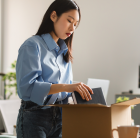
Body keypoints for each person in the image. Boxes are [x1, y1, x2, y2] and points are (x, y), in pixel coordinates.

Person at [15, 0, 93, 138]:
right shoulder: (32, 45)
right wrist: (66, 87)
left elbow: (65, 91)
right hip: (35, 118)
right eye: (69, 21)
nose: (72, 28)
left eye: (76, 25)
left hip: (60, 118)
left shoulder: (64, 52)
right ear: (53, 16)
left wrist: (77, 90)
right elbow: (26, 88)